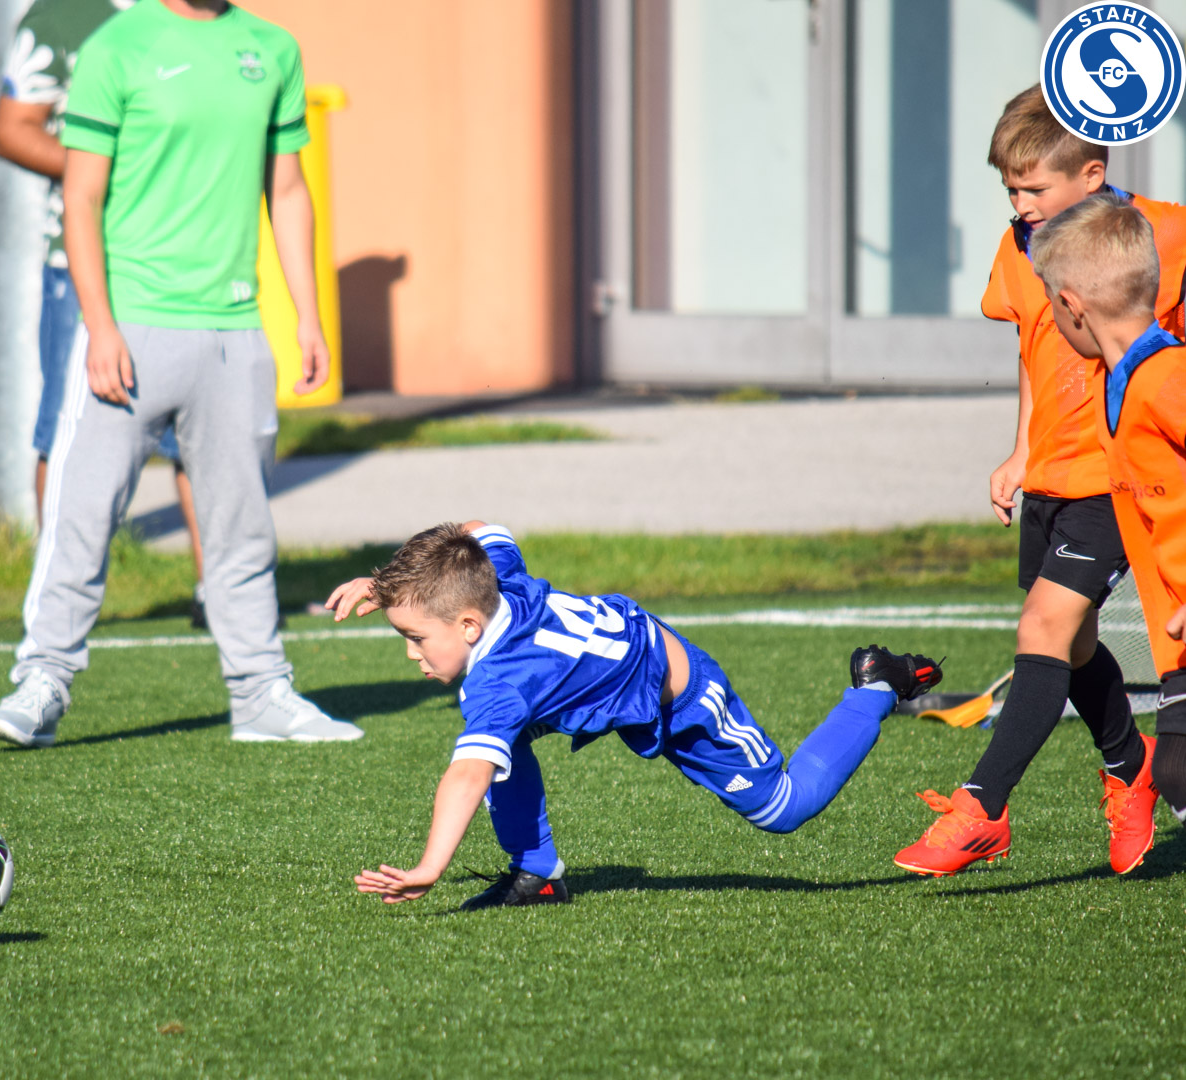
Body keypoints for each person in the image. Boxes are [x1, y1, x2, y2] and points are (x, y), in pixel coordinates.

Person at [0, 0, 361, 746]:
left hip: (234, 331)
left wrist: (307, 316)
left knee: (242, 528)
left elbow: (286, 191)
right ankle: (42, 682)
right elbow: (81, 196)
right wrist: (101, 325)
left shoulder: (272, 49)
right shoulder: (117, 46)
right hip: (130, 327)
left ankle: (260, 694)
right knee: (82, 517)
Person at [326, 522, 942, 909]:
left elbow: (466, 776)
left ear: (468, 624)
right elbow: (480, 530)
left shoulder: (499, 683)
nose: (411, 653)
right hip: (607, 684)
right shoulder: (492, 580)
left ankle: (876, 685)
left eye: (415, 637)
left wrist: (430, 867)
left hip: (681, 700)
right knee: (503, 744)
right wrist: (390, 586)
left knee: (784, 808)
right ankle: (537, 874)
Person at [894, 88, 1186, 877]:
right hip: (1052, 475)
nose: (1019, 205)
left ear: (1091, 175)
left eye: (1033, 188)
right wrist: (1020, 452)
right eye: (1010, 189)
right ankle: (1130, 768)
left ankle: (980, 809)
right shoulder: (1018, 245)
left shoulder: (1163, 232)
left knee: (1043, 629)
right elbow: (1032, 351)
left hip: (1118, 476)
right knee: (1076, 641)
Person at [0, 0, 209, 627]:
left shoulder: (209, 19)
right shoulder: (62, 17)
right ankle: (55, 604)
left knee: (202, 437)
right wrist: (107, 170)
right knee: (67, 434)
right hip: (86, 265)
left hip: (188, 266)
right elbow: (12, 128)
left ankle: (219, 594)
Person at [1032, 194, 1186, 834]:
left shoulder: (1167, 377)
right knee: (1175, 773)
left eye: (1049, 303)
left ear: (1072, 307)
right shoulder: (1112, 383)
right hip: (1174, 639)